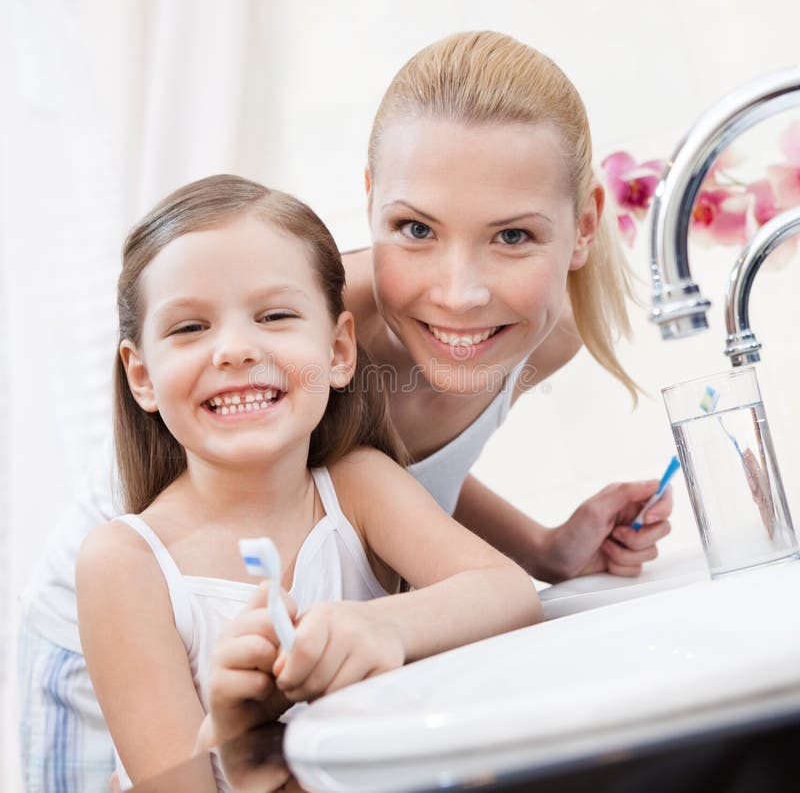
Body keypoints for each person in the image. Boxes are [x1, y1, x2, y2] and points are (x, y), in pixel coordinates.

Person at [18, 30, 672, 792]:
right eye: (417, 229)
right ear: (369, 203)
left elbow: (412, 477)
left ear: (584, 224)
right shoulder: (288, 337)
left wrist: (543, 550)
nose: (459, 293)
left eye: (514, 235)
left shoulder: (520, 352)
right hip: (117, 653)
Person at [74, 174, 542, 791]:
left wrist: (385, 627)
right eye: (189, 328)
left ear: (339, 350)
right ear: (142, 378)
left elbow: (510, 593)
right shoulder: (124, 565)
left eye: (275, 315)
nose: (235, 350)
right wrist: (243, 747)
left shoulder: (359, 487)